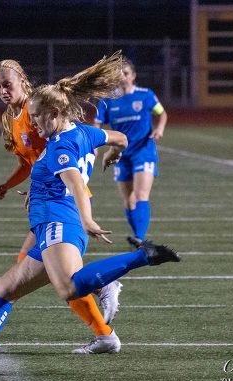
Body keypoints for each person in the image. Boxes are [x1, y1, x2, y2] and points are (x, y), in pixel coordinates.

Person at [0, 54, 180, 371]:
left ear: (54, 113)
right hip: (49, 225)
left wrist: (89, 219)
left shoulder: (61, 147)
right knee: (4, 290)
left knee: (69, 287)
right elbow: (119, 137)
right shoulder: (83, 131)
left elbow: (77, 185)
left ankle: (139, 259)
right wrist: (113, 154)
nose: (33, 122)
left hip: (59, 222)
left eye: (37, 117)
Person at [0, 59, 122, 352]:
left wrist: (40, 191)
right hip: (48, 198)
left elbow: (59, 155)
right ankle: (104, 332)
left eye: (7, 84)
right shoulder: (13, 116)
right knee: (36, 271)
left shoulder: (35, 112)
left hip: (61, 200)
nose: (2, 90)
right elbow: (30, 163)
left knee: (35, 274)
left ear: (23, 80)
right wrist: (9, 186)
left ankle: (102, 296)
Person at [94, 57, 168, 248]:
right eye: (118, 74)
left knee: (141, 195)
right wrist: (94, 143)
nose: (122, 77)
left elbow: (161, 113)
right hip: (120, 154)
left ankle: (139, 237)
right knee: (129, 201)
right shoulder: (108, 100)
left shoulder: (146, 95)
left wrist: (159, 129)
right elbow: (97, 123)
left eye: (126, 73)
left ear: (133, 76)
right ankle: (138, 237)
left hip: (143, 151)